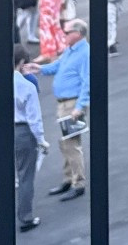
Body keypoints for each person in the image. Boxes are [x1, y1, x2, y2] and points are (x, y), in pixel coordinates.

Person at [0, 46, 46, 232]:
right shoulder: (27, 86)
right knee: (26, 176)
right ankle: (25, 218)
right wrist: (40, 139)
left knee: (2, 177)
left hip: (3, 131)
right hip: (23, 132)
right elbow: (34, 118)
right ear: (22, 62)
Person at [31, 18, 88, 200]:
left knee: (71, 145)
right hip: (63, 103)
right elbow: (58, 66)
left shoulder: (85, 53)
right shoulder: (70, 50)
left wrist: (79, 107)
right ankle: (68, 178)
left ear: (77, 34)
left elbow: (88, 82)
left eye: (66, 32)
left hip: (72, 104)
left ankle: (78, 183)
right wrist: (39, 68)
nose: (63, 35)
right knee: (65, 143)